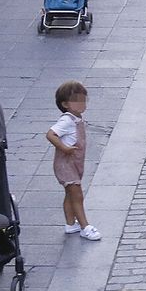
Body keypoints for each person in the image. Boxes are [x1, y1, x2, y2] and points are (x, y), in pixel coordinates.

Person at [46, 81, 101, 241]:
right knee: (77, 195)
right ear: (65, 104)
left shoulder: (76, 119)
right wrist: (64, 148)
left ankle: (70, 224)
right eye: (77, 101)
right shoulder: (67, 120)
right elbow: (50, 134)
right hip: (66, 164)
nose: (82, 104)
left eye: (84, 100)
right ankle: (85, 226)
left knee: (70, 194)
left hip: (74, 163)